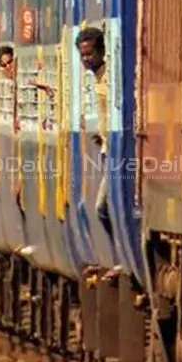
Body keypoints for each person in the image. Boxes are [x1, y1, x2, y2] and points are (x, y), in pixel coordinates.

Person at [76, 26, 111, 234]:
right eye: (83, 55)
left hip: (116, 153)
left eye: (90, 53)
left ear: (101, 52)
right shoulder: (94, 78)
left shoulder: (109, 77)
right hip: (105, 151)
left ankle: (120, 256)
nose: (86, 59)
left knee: (102, 207)